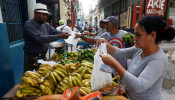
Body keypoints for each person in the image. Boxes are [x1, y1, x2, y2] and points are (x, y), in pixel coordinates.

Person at [97, 16, 175, 100]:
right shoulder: (139, 49)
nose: (134, 38)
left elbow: (139, 86)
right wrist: (106, 44)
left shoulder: (159, 59)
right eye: (135, 34)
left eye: (138, 35)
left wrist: (114, 64)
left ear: (152, 35)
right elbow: (119, 53)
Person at [23, 3, 70, 72]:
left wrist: (69, 34)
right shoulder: (29, 25)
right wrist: (60, 36)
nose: (45, 17)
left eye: (46, 15)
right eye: (43, 14)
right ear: (36, 13)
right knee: (30, 80)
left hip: (43, 57)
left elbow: (55, 32)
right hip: (31, 58)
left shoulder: (45, 25)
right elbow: (40, 38)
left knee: (44, 77)